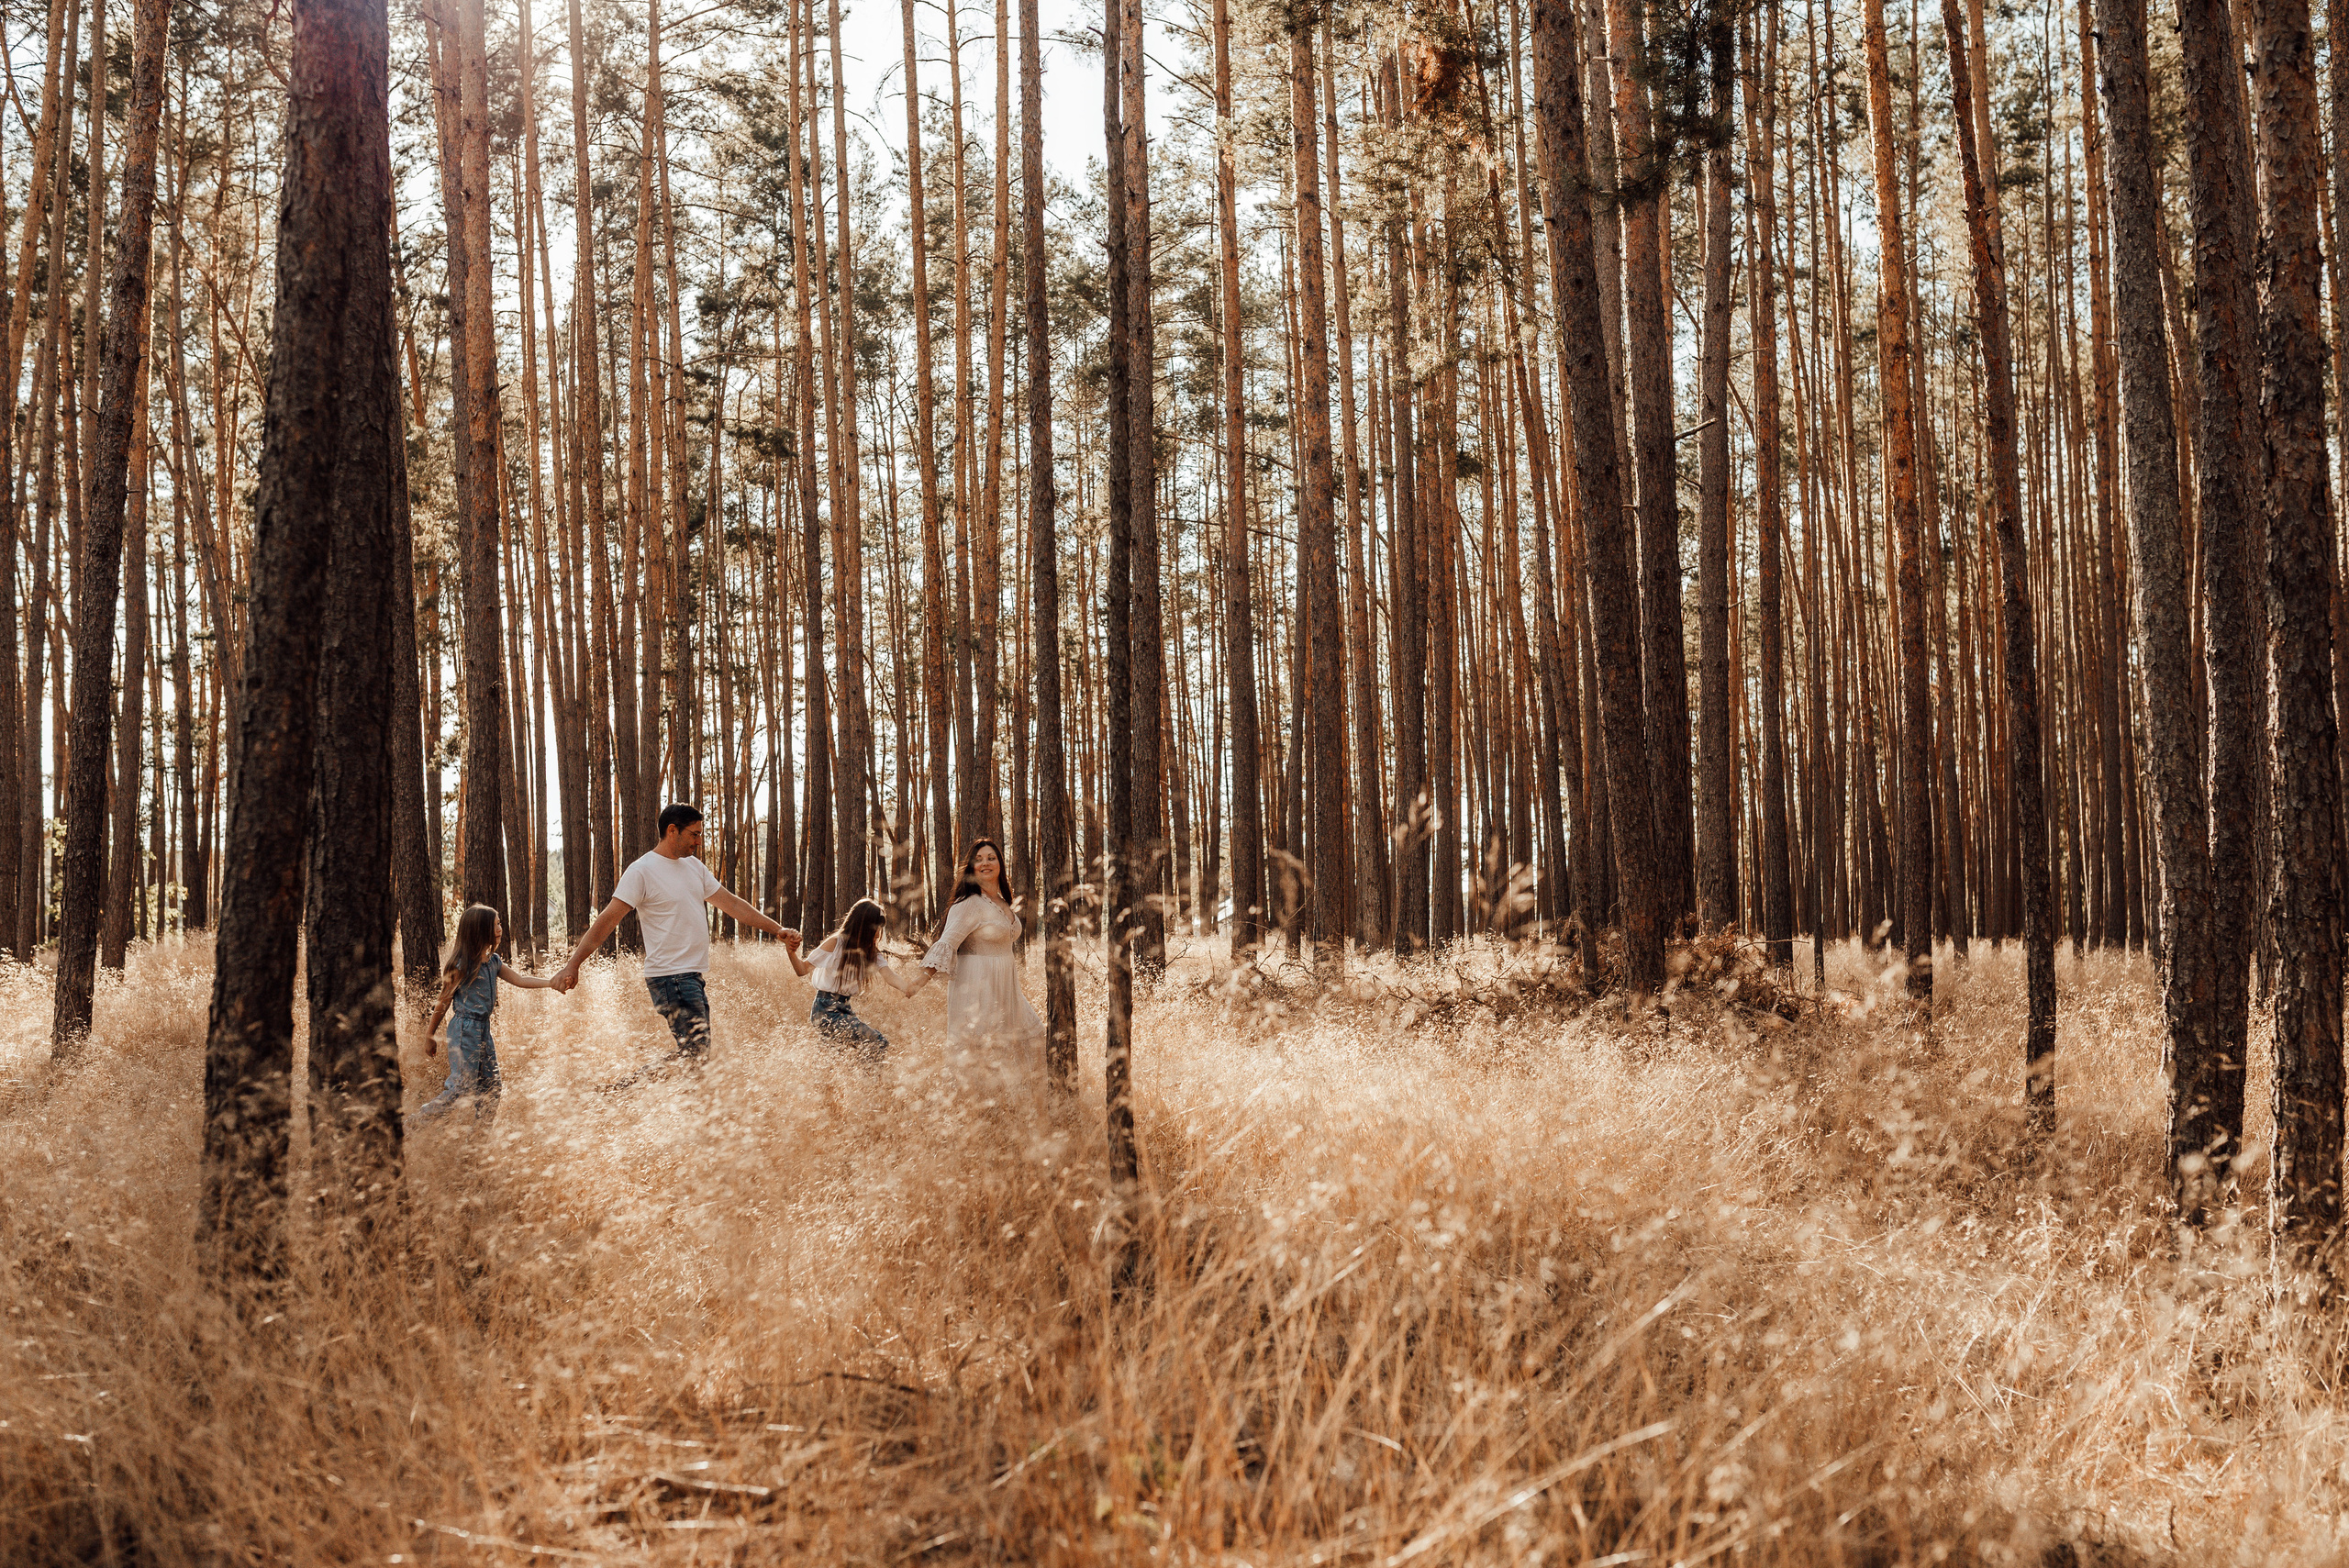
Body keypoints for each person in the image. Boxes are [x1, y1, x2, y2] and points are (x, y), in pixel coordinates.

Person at [550, 803, 796, 1077]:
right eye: (694, 834)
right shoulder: (642, 870)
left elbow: (732, 905)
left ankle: (667, 1104)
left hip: (691, 975)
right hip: (671, 976)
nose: (698, 841)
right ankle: (624, 1093)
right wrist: (573, 964)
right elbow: (607, 920)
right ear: (672, 830)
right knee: (695, 1053)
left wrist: (777, 929)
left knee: (694, 1055)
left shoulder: (694, 867)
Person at [903, 840, 1045, 1075]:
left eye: (991, 858)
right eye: (978, 859)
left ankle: (1014, 1105)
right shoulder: (968, 904)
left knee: (1033, 1036)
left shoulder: (1002, 902)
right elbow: (948, 942)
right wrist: (917, 983)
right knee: (981, 1054)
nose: (985, 863)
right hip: (977, 987)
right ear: (971, 867)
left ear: (1000, 863)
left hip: (1007, 987)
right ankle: (973, 1108)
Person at [413, 903, 559, 1126]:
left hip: (483, 1030)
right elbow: (443, 1001)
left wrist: (551, 983)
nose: (500, 928)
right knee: (460, 1089)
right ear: (480, 930)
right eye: (496, 924)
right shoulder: (462, 965)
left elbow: (519, 980)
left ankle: (478, 1145)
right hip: (464, 1030)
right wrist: (429, 1035)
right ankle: (411, 1125)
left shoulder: (493, 962)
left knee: (492, 1088)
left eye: (500, 923)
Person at [782, 896, 917, 1063]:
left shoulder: (870, 951)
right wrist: (790, 952)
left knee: (837, 1060)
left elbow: (889, 975)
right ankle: (869, 1083)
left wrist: (908, 988)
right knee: (877, 1042)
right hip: (825, 1010)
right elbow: (802, 970)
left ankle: (859, 1084)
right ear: (864, 926)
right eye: (876, 928)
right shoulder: (835, 943)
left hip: (844, 1008)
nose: (878, 934)